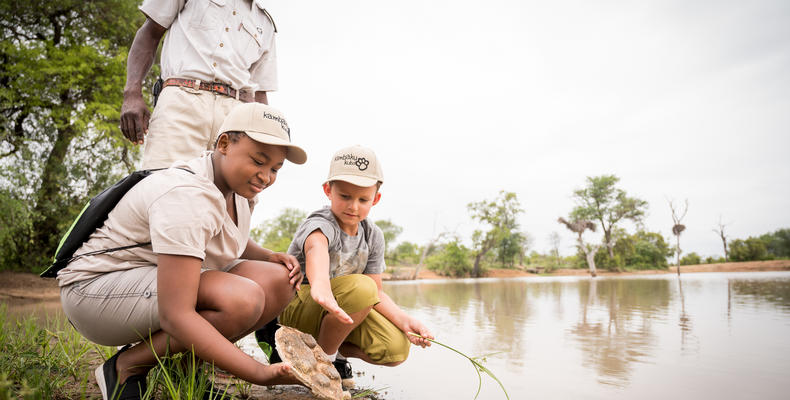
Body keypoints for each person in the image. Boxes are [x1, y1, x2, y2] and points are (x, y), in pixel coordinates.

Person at [57, 103, 306, 400]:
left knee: (279, 280)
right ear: (224, 144)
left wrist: (265, 255)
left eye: (275, 168)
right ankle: (126, 367)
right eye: (258, 161)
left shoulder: (235, 188)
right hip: (93, 294)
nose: (265, 177)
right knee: (242, 298)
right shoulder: (188, 195)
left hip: (142, 281)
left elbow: (223, 232)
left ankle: (186, 372)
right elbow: (176, 315)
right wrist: (257, 373)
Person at [270, 145, 434, 380]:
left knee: (396, 348)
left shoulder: (373, 235)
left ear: (375, 199)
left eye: (363, 199)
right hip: (302, 306)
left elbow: (376, 292)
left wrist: (406, 321)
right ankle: (324, 365)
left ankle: (330, 352)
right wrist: (321, 286)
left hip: (339, 313)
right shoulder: (321, 223)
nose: (353, 206)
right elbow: (317, 248)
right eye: (345, 196)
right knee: (361, 287)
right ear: (328, 190)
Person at [120, 0, 279, 169]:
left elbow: (259, 93)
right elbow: (150, 33)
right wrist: (132, 92)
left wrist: (265, 144)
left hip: (233, 119)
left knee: (228, 194)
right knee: (164, 183)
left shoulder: (265, 23)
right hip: (182, 102)